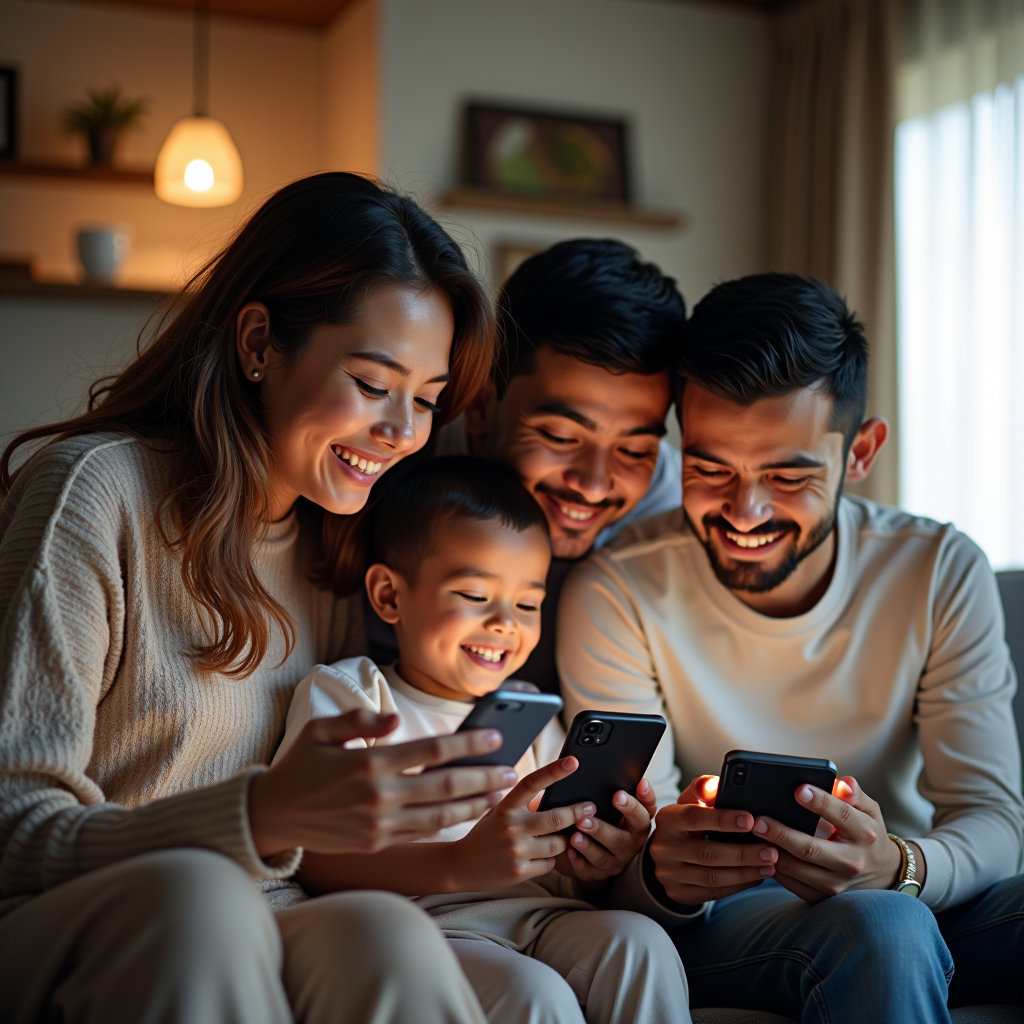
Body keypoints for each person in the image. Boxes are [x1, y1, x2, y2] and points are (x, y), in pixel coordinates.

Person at [0, 173, 521, 1024]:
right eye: (370, 380)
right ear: (257, 342)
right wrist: (256, 813)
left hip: (260, 915)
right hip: (70, 920)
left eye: (426, 401)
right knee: (203, 901)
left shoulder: (338, 547)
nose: (402, 431)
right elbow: (10, 830)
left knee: (384, 936)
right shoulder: (96, 493)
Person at [557, 273, 1024, 1021]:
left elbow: (994, 818)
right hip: (725, 918)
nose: (745, 511)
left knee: (891, 915)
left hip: (900, 887)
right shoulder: (616, 589)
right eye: (710, 469)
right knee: (888, 928)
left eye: (788, 474)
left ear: (861, 452)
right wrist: (665, 871)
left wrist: (896, 864)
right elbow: (623, 854)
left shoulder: (937, 568)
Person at [280, 456, 691, 1024]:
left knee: (638, 943)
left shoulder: (531, 708)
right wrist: (458, 862)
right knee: (534, 996)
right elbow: (311, 858)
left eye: (528, 604)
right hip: (424, 929)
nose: (505, 623)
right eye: (475, 596)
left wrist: (596, 855)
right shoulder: (353, 695)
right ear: (389, 596)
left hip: (539, 914)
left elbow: (561, 855)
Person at [368, 238, 687, 694]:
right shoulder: (395, 466)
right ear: (481, 404)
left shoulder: (677, 514)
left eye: (634, 451)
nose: (594, 486)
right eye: (560, 436)